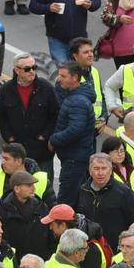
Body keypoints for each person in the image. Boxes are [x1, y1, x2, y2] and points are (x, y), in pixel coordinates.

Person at [0, 54, 60, 176]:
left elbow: (55, 115)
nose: (31, 71)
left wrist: (44, 136)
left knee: (43, 187)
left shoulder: (46, 88)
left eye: (34, 67)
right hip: (17, 152)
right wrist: (9, 137)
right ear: (16, 70)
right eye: (27, 69)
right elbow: (1, 115)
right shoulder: (6, 89)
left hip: (42, 151)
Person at [50, 63, 99, 204]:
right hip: (76, 157)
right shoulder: (74, 96)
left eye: (64, 76)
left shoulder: (77, 101)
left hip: (74, 158)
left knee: (66, 201)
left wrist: (54, 140)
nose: (59, 79)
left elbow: (75, 129)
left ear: (75, 77)